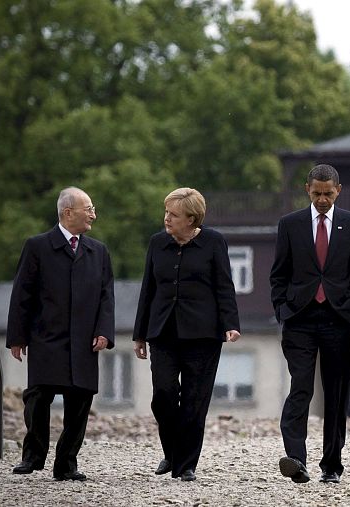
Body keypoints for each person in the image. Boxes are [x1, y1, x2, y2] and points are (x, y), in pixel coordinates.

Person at [7, 186, 115, 481]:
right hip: (46, 337)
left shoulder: (99, 252)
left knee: (79, 403)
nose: (94, 214)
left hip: (84, 341)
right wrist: (17, 336)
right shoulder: (37, 246)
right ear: (68, 213)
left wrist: (104, 331)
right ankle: (33, 455)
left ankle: (66, 464)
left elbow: (107, 296)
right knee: (38, 397)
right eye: (88, 208)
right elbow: (22, 295)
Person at [270, 164, 350, 484]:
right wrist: (283, 309)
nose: (323, 199)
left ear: (338, 190)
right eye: (317, 194)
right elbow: (279, 274)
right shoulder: (290, 224)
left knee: (337, 393)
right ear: (307, 190)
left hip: (338, 319)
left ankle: (332, 464)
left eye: (328, 194)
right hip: (299, 318)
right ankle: (296, 458)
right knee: (300, 386)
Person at [133, 187, 241, 482]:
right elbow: (148, 290)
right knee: (163, 396)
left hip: (203, 335)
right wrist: (139, 335)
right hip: (163, 332)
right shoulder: (157, 243)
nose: (166, 218)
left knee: (195, 400)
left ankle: (185, 465)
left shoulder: (213, 242)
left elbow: (224, 286)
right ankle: (172, 452)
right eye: (166, 212)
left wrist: (231, 323)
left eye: (173, 214)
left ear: (192, 219)